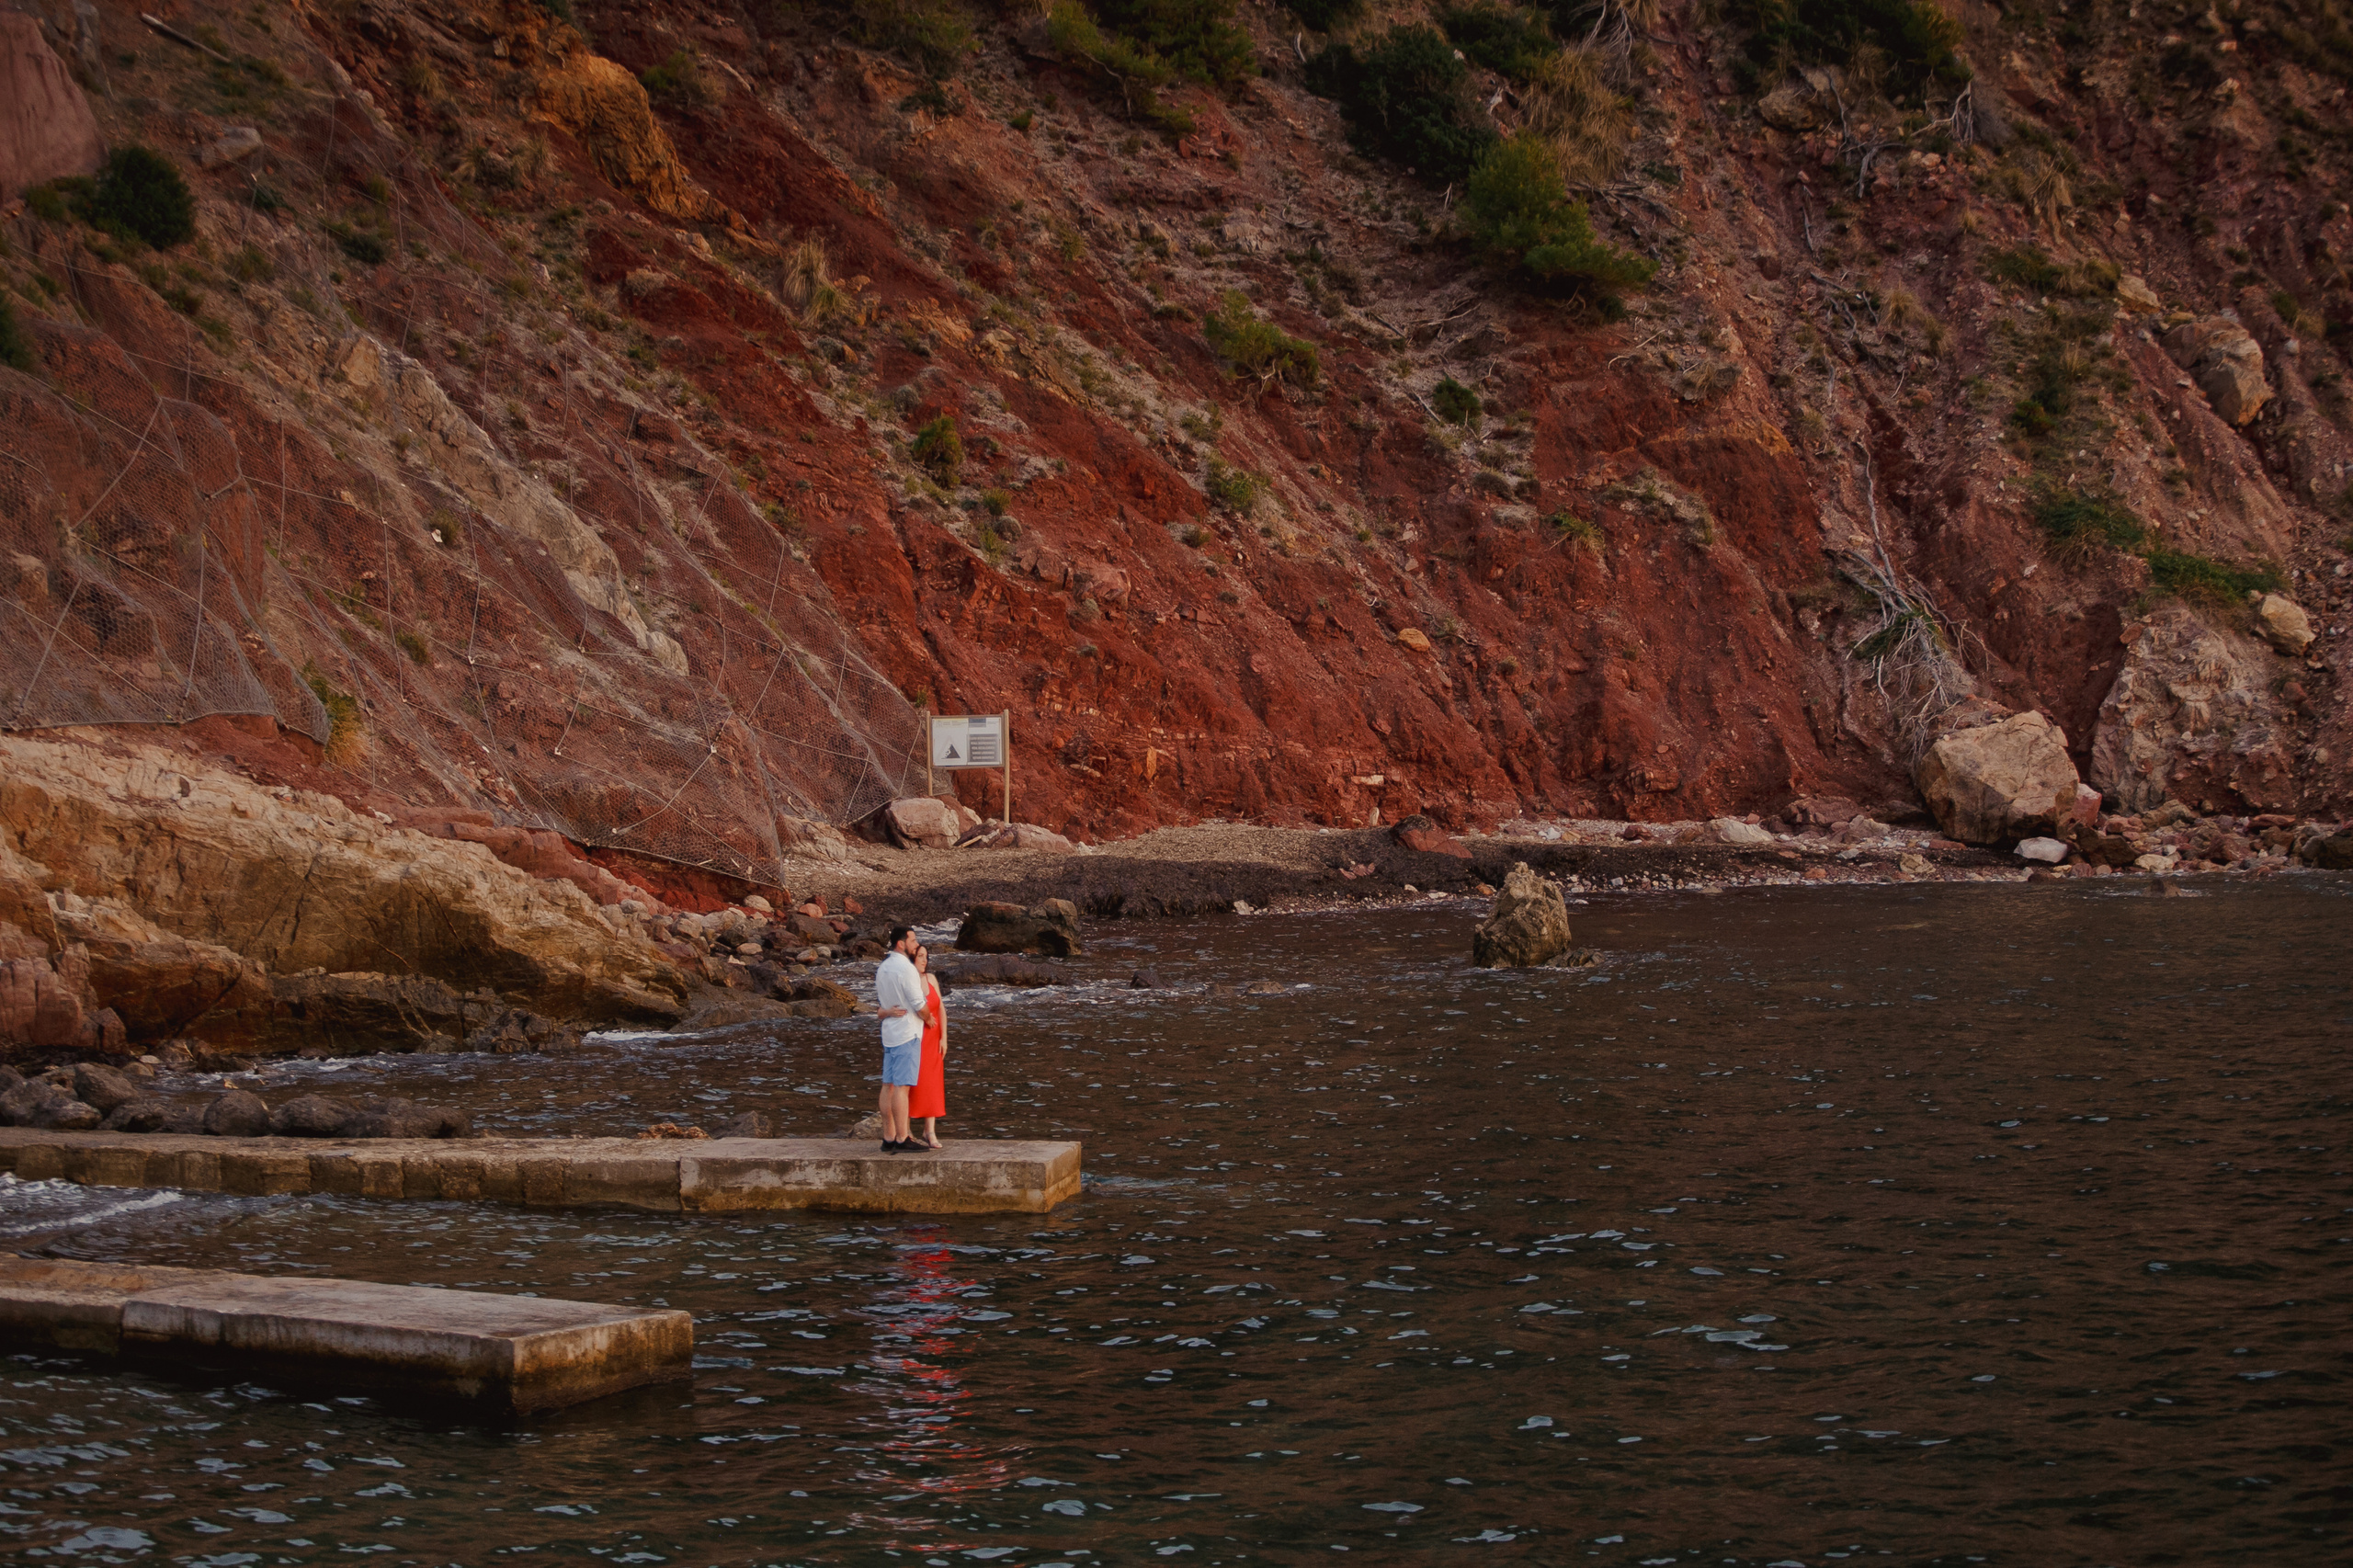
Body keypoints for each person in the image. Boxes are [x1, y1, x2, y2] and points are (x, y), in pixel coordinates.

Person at [872, 926, 928, 1153]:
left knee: (888, 1085)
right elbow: (918, 1003)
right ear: (901, 944)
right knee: (902, 1088)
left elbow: (882, 1003)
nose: (916, 944)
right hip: (907, 1033)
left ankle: (888, 1136)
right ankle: (902, 1137)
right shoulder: (906, 968)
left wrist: (885, 1012)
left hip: (890, 1034)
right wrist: (930, 1018)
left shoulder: (883, 967)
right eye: (913, 940)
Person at [909, 943, 948, 1148]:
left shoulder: (931, 978)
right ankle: (905, 1130)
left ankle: (929, 1131)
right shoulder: (908, 980)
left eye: (926, 957)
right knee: (912, 1081)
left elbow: (941, 1009)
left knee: (932, 1082)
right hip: (916, 1036)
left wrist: (944, 1037)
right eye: (920, 956)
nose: (925, 960)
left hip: (934, 1037)